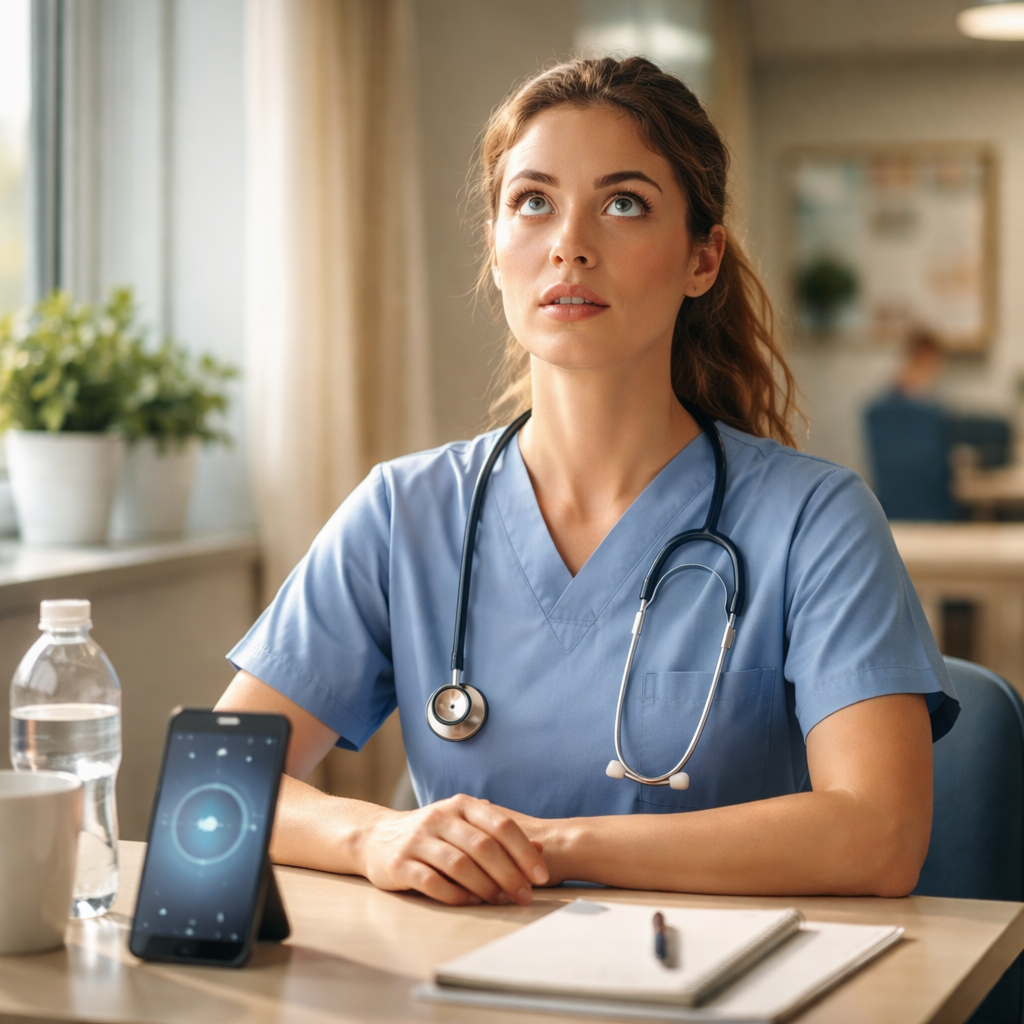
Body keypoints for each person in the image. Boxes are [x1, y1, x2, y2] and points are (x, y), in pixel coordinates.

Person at [218, 57, 958, 907]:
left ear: (702, 259)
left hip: (717, 984)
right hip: (459, 981)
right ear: (496, 254)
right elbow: (218, 771)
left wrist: (547, 846)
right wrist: (374, 835)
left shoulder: (814, 520)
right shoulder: (404, 512)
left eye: (624, 204)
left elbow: (879, 836)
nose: (569, 243)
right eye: (532, 201)